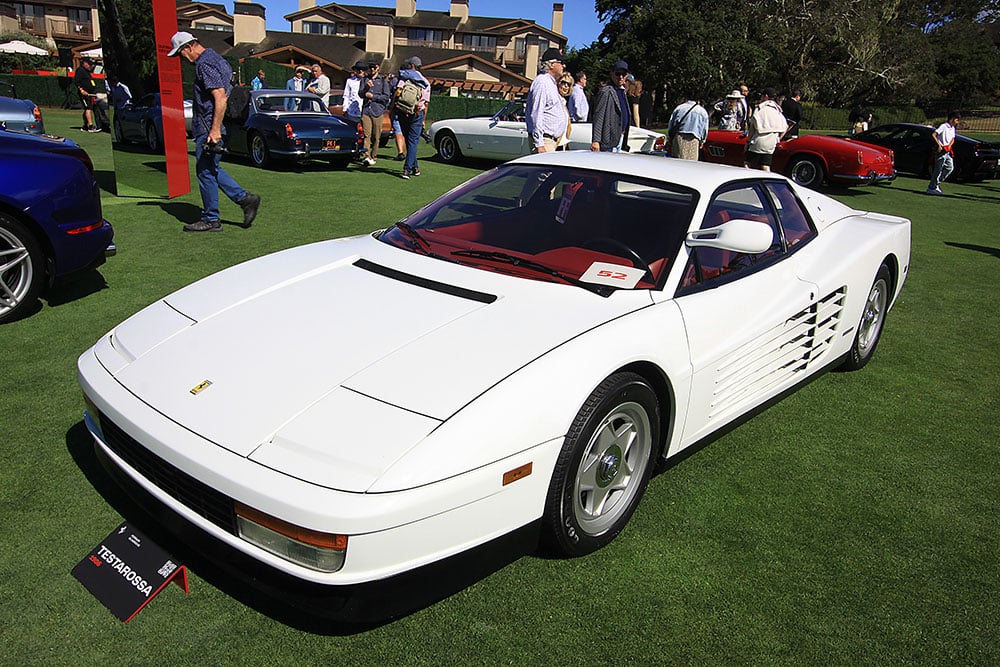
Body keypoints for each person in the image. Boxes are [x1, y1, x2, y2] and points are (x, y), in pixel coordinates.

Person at [167, 31, 260, 232]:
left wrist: (215, 130)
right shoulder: (217, 59)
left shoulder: (204, 64)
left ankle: (212, 218)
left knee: (205, 171)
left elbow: (220, 97)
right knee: (210, 168)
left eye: (180, 53)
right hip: (217, 124)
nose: (182, 59)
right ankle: (245, 199)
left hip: (211, 126)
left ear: (189, 47)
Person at [525, 48, 568, 153]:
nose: (564, 66)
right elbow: (536, 114)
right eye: (561, 62)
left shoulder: (551, 83)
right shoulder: (542, 83)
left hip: (552, 141)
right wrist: (539, 144)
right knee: (545, 170)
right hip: (545, 141)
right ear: (552, 64)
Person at [395, 56, 430, 178]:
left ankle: (414, 167)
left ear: (412, 66)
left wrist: (392, 109)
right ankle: (408, 169)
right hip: (416, 113)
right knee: (413, 141)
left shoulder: (404, 78)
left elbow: (397, 93)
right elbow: (425, 104)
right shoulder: (425, 82)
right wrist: (424, 120)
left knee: (408, 140)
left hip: (402, 111)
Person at [744, 87, 788, 172]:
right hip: (771, 142)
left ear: (766, 96)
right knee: (765, 165)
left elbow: (753, 127)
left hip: (759, 140)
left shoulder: (760, 108)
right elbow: (785, 127)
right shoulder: (778, 110)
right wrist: (778, 138)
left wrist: (748, 142)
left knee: (747, 163)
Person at [591, 60, 631, 152]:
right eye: (617, 74)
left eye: (623, 74)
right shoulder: (606, 91)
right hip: (608, 139)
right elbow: (598, 116)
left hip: (620, 137)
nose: (620, 77)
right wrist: (596, 140)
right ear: (612, 74)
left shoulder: (623, 92)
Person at [361, 60, 393, 165]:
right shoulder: (365, 80)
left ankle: (374, 156)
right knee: (367, 135)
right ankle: (366, 156)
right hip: (366, 111)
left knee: (376, 136)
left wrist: (373, 97)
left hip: (377, 111)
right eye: (370, 67)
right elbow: (360, 93)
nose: (371, 69)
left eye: (373, 67)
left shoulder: (383, 81)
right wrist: (366, 88)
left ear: (378, 68)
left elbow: (386, 97)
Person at [927, 111, 961, 195]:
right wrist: (939, 145)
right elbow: (934, 134)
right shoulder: (943, 126)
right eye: (957, 120)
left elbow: (953, 138)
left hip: (948, 151)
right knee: (938, 169)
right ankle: (932, 187)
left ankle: (936, 183)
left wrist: (949, 145)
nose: (957, 122)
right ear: (952, 119)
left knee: (950, 167)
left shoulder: (952, 128)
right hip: (941, 151)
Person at [668, 93, 709, 160]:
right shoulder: (702, 111)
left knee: (678, 160)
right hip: (694, 138)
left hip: (679, 137)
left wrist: (670, 138)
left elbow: (671, 123)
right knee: (692, 162)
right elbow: (704, 129)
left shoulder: (679, 108)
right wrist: (702, 141)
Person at [74, 58, 103, 132]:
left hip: (90, 94)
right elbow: (77, 82)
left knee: (89, 108)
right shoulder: (80, 70)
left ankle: (85, 126)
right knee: (88, 108)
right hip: (85, 94)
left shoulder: (87, 71)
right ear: (84, 63)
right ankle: (90, 126)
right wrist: (82, 90)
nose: (90, 66)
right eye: (89, 64)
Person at [556, 73, 574, 149]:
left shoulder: (563, 101)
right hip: (554, 143)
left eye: (568, 84)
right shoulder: (555, 100)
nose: (566, 86)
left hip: (563, 143)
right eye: (563, 83)